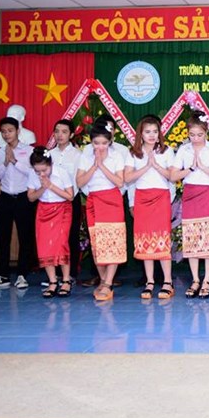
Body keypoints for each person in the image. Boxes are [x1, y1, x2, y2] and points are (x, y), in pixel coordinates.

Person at [171, 111, 209, 299]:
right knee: (192, 237)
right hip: (190, 194)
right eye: (192, 135)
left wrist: (203, 167)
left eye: (200, 135)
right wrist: (191, 168)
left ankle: (207, 280)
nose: (195, 139)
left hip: (208, 194)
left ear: (206, 132)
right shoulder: (184, 150)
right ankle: (195, 279)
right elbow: (173, 176)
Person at [125, 115, 176, 300]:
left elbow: (172, 176)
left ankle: (168, 282)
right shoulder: (133, 153)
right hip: (142, 198)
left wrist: (156, 165)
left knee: (162, 239)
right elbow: (127, 178)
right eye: (148, 132)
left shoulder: (166, 151)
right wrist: (147, 166)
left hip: (161, 198)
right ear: (141, 133)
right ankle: (150, 281)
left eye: (155, 131)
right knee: (144, 240)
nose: (152, 135)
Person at [76, 122, 127, 302]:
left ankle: (108, 283)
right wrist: (94, 166)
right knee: (97, 243)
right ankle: (104, 280)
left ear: (110, 141)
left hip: (112, 200)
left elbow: (119, 182)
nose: (100, 147)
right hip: (93, 200)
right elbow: (80, 182)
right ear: (91, 142)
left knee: (112, 242)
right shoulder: (85, 156)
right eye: (96, 143)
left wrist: (102, 166)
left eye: (104, 143)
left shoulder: (116, 156)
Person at [0, 117, 36, 290]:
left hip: (23, 198)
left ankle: (22, 275)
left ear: (17, 131)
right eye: (3, 131)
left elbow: (33, 174)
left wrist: (14, 161)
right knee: (3, 238)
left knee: (25, 238)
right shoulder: (0, 153)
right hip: (5, 198)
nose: (7, 134)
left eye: (10, 131)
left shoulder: (29, 151)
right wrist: (5, 162)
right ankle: (3, 275)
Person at [27, 146, 74, 298]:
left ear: (51, 164)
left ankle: (66, 280)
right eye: (38, 171)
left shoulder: (61, 172)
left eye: (44, 170)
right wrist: (42, 187)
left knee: (61, 243)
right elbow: (31, 197)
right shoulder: (33, 175)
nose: (41, 174)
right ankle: (52, 281)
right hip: (43, 210)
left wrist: (51, 186)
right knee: (44, 246)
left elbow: (70, 196)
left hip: (62, 209)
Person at [49, 119, 82, 283]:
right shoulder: (49, 154)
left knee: (71, 237)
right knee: (53, 237)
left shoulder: (78, 155)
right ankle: (54, 274)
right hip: (52, 202)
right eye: (57, 131)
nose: (59, 135)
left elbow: (78, 180)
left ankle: (71, 275)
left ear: (71, 134)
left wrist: (67, 196)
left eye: (64, 132)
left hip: (71, 200)